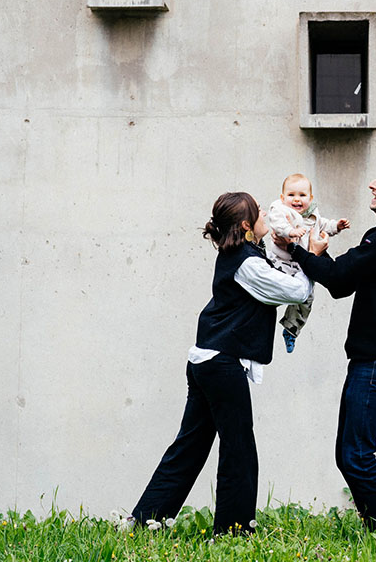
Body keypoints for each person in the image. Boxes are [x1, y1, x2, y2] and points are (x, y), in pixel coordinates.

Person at [131, 192, 316, 534]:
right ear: (247, 225)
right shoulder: (248, 262)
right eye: (259, 212)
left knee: (190, 445)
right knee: (238, 446)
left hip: (208, 359)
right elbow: (295, 292)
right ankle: (234, 529)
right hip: (221, 364)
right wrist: (312, 258)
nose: (266, 212)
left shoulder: (244, 254)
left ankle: (145, 519)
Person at [283, 160, 376, 533]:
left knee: (358, 456)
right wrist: (315, 254)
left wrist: (298, 250)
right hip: (370, 358)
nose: (372, 185)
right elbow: (342, 284)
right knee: (348, 456)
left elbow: (339, 276)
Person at [264, 173, 350, 352]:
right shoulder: (279, 208)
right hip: (281, 262)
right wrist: (290, 231)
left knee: (306, 298)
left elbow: (323, 225)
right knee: (275, 290)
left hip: (302, 265)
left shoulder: (312, 214)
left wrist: (336, 226)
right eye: (291, 195)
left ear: (310, 198)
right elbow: (277, 223)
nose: (296, 200)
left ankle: (291, 329)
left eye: (302, 195)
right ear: (283, 197)